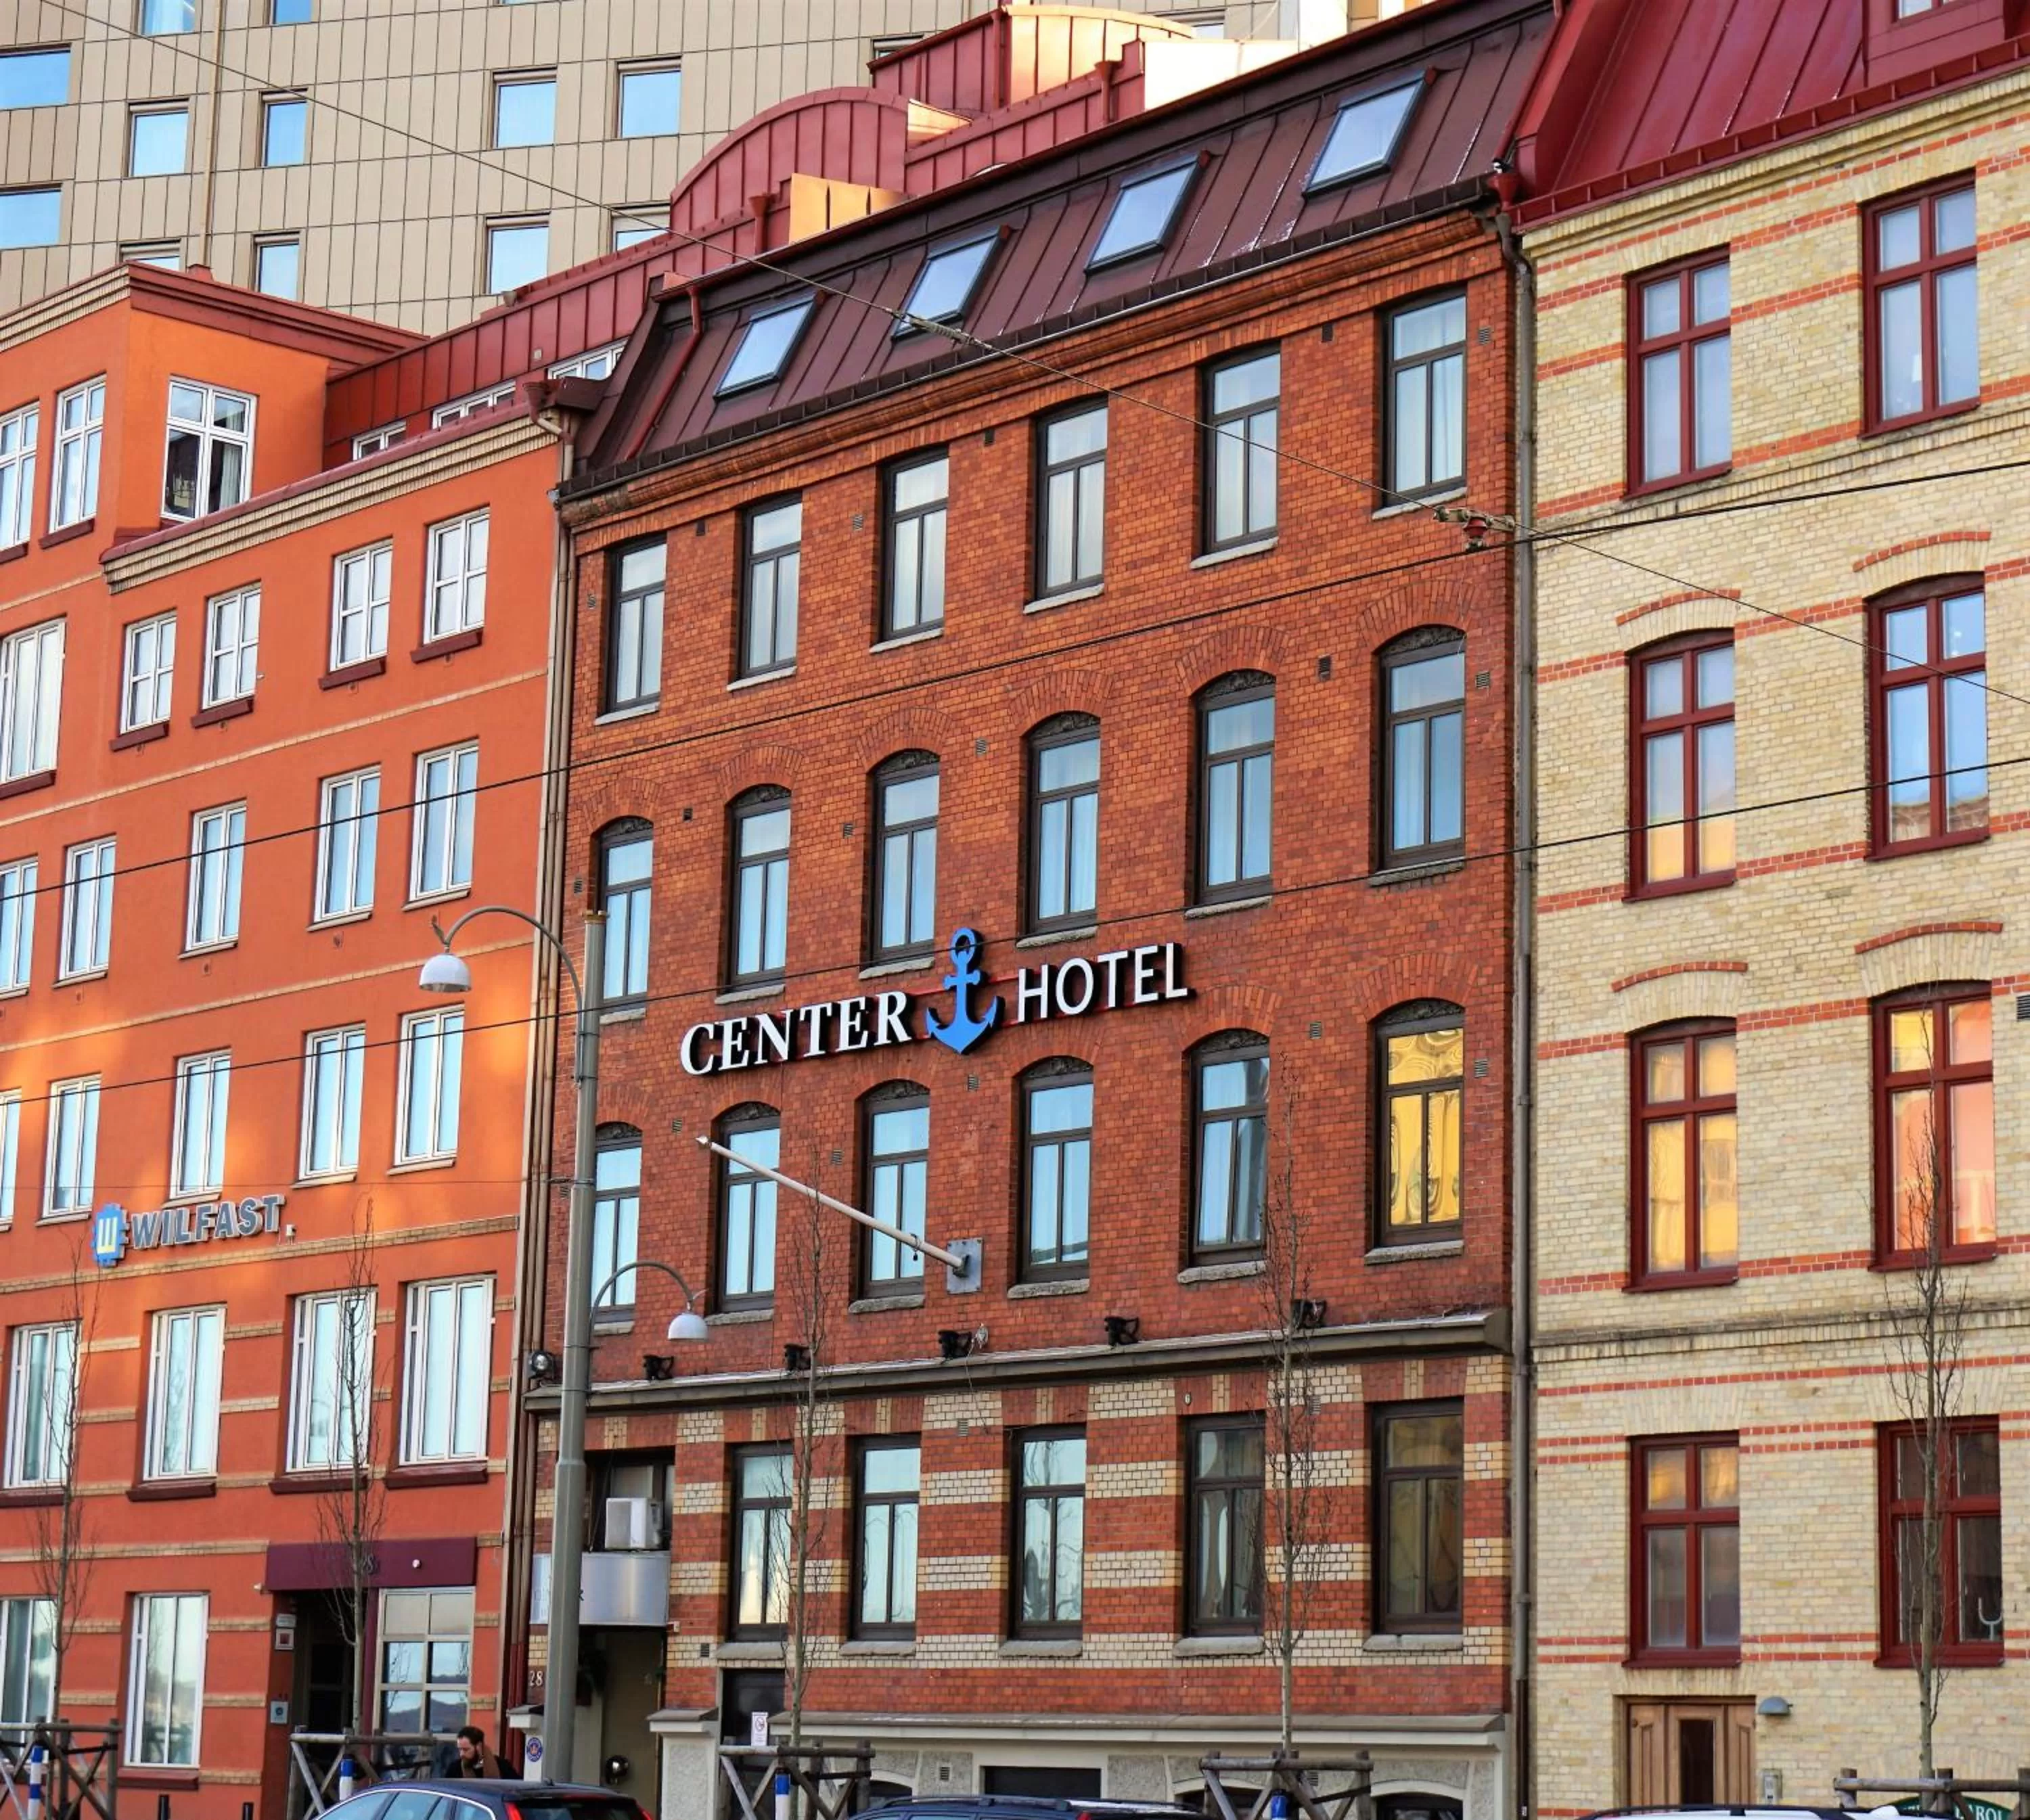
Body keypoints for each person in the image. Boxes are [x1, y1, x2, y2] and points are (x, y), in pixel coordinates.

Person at [430, 1727, 508, 1779]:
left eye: (466, 1750)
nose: (462, 1754)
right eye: (460, 1750)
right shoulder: (455, 1769)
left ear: (479, 1747)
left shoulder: (501, 1766)